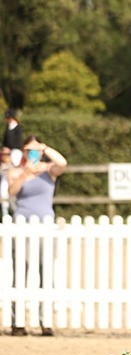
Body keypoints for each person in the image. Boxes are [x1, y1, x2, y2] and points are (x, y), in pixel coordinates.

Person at [7, 135, 67, 336]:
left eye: (35, 150)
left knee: (45, 272)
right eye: (28, 150)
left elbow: (62, 163)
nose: (32, 153)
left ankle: (45, 321)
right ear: (23, 151)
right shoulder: (15, 171)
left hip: (44, 225)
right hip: (21, 224)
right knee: (18, 272)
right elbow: (11, 193)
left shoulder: (49, 170)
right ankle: (17, 322)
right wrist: (24, 174)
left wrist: (45, 148)